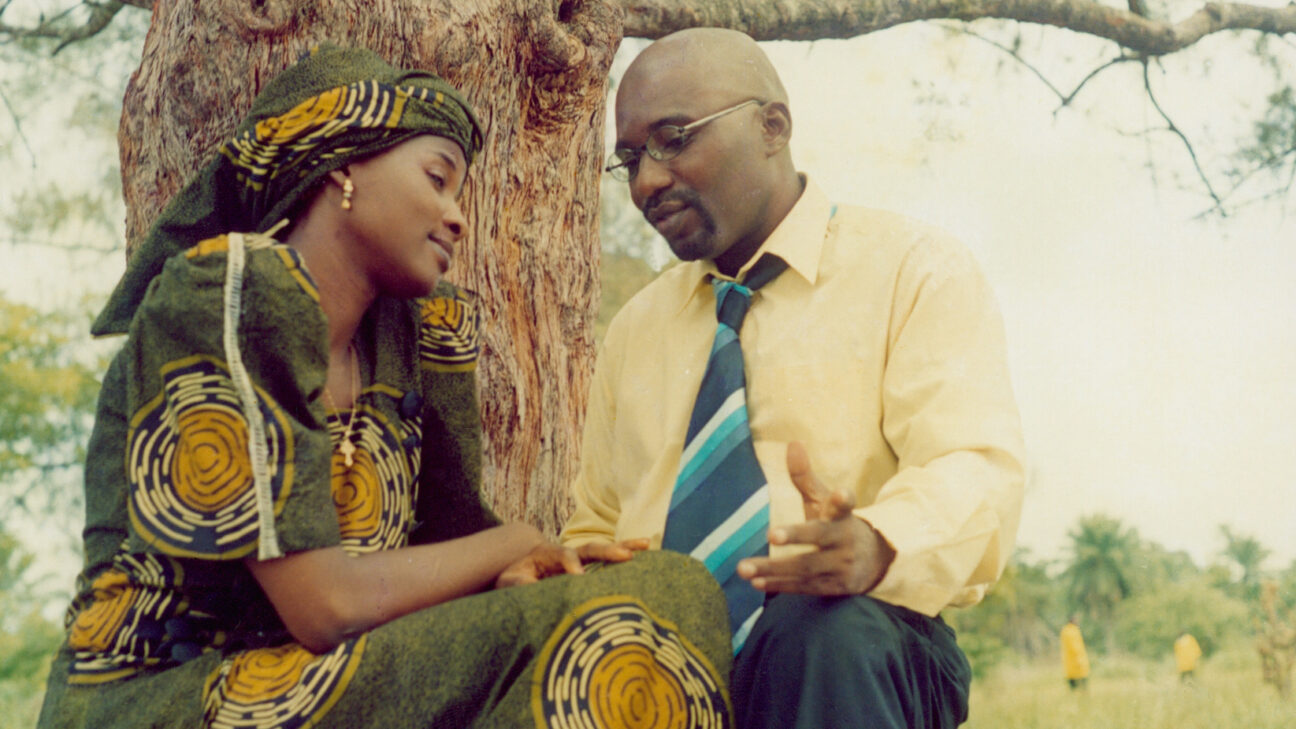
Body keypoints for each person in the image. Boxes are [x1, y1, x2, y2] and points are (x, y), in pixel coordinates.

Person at [36, 44, 734, 729]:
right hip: (164, 697)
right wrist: (515, 542)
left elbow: (459, 544)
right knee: (649, 600)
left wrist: (529, 565)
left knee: (656, 596)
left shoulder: (417, 338)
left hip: (320, 683)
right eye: (437, 178)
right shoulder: (227, 295)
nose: (457, 216)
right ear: (341, 167)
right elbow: (325, 607)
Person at [560, 28, 1026, 729]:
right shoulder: (635, 330)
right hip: (661, 670)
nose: (647, 182)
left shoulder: (913, 269)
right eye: (629, 160)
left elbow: (974, 467)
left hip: (855, 649)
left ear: (772, 127)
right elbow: (596, 522)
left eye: (673, 139)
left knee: (817, 631)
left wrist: (874, 543)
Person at [1060, 615, 1091, 691]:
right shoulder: (1073, 631)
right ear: (1073, 621)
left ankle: (1074, 691)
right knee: (1081, 674)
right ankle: (1082, 690)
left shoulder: (1065, 630)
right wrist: (1078, 657)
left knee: (1071, 675)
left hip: (1069, 658)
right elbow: (1075, 646)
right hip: (1076, 657)